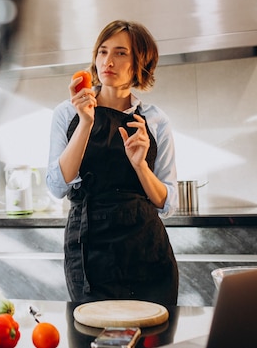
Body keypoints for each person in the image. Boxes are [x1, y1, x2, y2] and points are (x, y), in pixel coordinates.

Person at [46, 20, 179, 305]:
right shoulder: (67, 113)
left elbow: (167, 202)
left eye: (121, 53)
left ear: (139, 63)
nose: (108, 61)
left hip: (147, 248)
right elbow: (57, 185)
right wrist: (85, 123)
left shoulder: (156, 120)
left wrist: (140, 165)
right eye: (103, 52)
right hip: (91, 249)